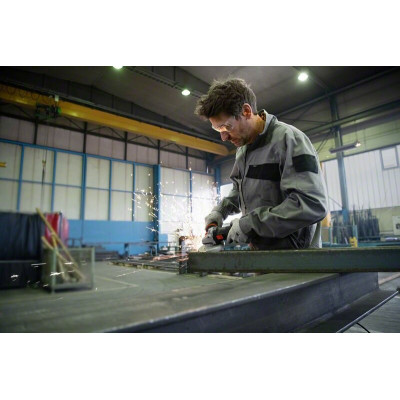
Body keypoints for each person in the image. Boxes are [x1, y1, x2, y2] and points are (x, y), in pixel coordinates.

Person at [195, 78, 328, 250]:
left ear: (246, 111)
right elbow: (239, 192)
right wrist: (220, 211)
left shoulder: (289, 140)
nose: (224, 137)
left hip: (296, 258)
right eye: (218, 129)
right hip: (260, 255)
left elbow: (311, 204)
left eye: (227, 127)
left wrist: (249, 225)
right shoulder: (243, 150)